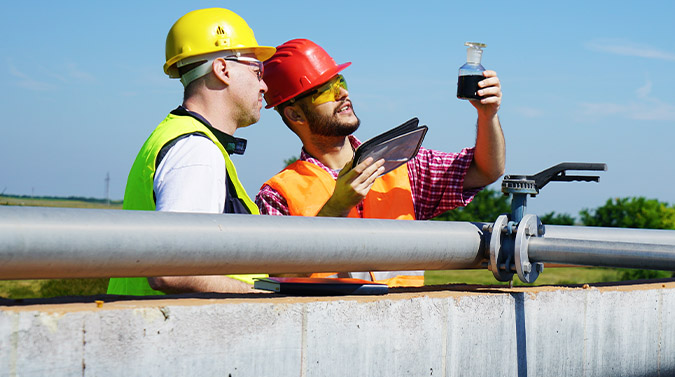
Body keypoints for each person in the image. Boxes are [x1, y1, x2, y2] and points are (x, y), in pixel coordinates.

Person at [256, 39, 505, 286]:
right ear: (295, 114)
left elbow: (485, 170)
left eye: (340, 81)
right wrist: (335, 209)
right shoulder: (277, 194)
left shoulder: (401, 163)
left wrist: (488, 115)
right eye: (326, 90)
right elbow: (281, 279)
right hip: (331, 324)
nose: (343, 93)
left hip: (405, 321)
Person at [107, 8, 274, 296]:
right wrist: (260, 298)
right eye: (257, 70)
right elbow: (171, 270)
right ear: (222, 69)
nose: (264, 85)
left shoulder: (177, 137)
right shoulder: (196, 151)